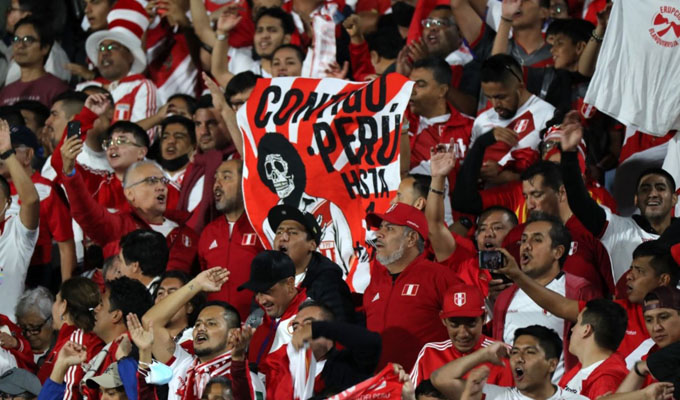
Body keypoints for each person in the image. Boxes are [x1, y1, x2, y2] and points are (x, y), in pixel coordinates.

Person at [495, 239, 678, 366]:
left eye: (639, 271)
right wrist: (517, 275)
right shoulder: (616, 311)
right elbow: (562, 306)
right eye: (631, 269)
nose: (629, 276)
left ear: (663, 280)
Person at [560, 117, 678, 286]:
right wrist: (570, 154)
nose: (653, 194)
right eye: (645, 189)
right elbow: (580, 203)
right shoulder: (617, 229)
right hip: (627, 304)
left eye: (660, 188)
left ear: (674, 198)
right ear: (636, 200)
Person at [493, 213, 601, 378]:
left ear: (558, 252)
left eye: (537, 240)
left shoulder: (580, 291)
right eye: (523, 240)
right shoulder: (505, 297)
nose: (526, 246)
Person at [57, 151, 198, 273]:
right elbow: (87, 212)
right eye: (151, 181)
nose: (161, 187)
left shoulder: (187, 233)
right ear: (130, 194)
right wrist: (71, 175)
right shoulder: (119, 225)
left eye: (163, 181)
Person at [364, 203, 462, 369]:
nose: (378, 234)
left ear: (411, 239)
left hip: (428, 382)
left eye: (389, 228)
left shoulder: (439, 277)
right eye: (380, 227)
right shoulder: (374, 286)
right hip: (382, 382)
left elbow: (468, 329)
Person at [143, 267, 237, 400]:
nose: (201, 328)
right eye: (198, 324)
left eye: (211, 323)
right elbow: (150, 322)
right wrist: (197, 284)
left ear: (233, 335)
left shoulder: (242, 379)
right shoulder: (183, 365)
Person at [1, 125, 75, 289]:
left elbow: (66, 246)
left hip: (36, 277)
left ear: (28, 155)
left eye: (9, 150)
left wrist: (67, 293)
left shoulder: (46, 191)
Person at [263, 300, 381, 398]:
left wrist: (315, 329)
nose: (300, 331)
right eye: (295, 326)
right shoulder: (281, 369)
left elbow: (371, 343)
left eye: (308, 324)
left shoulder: (348, 365)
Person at [432, 325, 588, 399]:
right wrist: (484, 354)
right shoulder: (497, 397)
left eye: (529, 352)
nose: (518, 358)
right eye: (515, 352)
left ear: (552, 364)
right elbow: (440, 379)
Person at [469, 54, 556, 184]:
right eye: (489, 97)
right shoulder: (481, 121)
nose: (495, 105)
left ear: (520, 87)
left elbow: (554, 173)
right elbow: (468, 171)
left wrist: (507, 176)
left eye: (501, 97)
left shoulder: (547, 115)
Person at [198, 159, 264, 321]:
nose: (216, 185)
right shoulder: (208, 233)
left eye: (226, 177)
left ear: (244, 183)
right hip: (217, 327)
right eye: (215, 178)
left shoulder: (262, 227)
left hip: (255, 325)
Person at [410, 284, 513, 387]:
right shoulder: (429, 354)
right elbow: (407, 394)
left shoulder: (504, 355)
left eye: (471, 323)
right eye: (454, 324)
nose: (463, 333)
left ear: (484, 318)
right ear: (443, 320)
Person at [77, 0, 159, 129]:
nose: (105, 53)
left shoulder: (142, 87)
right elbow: (69, 134)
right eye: (101, 48)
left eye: (112, 47)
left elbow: (142, 137)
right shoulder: (82, 88)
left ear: (130, 56)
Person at [268, 204, 356, 322]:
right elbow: (256, 322)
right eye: (279, 232)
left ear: (312, 245)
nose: (283, 237)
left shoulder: (329, 284)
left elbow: (339, 328)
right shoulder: (265, 281)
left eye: (292, 232)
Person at [404, 56, 473, 198]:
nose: (412, 91)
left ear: (442, 90)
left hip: (455, 208)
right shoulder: (400, 124)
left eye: (420, 85)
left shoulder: (471, 127)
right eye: (410, 84)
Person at [81, 276, 153, 400]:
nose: (94, 309)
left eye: (101, 304)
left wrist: (123, 359)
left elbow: (139, 394)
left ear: (115, 315)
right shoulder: (103, 352)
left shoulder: (135, 356)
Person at [238, 251, 308, 373]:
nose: (261, 300)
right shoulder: (257, 317)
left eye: (267, 291)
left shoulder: (309, 318)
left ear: (290, 284)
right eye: (257, 292)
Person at [37, 277, 104, 399]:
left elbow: (70, 393)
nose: (53, 306)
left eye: (56, 300)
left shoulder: (76, 344)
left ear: (63, 306)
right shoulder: (67, 338)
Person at [0, 118, 39, 320]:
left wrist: (7, 154)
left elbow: (31, 201)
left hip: (6, 334)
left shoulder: (16, 233)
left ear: (8, 203)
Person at [558, 299, 629, 399]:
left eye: (577, 322)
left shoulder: (606, 382)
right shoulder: (581, 369)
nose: (572, 329)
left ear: (586, 330)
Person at [0, 17, 68, 107]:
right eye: (16, 39)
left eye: (28, 40)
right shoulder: (6, 91)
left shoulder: (57, 89)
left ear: (45, 48)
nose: (20, 45)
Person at [15, 287, 56, 366]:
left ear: (52, 322)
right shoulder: (14, 346)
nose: (28, 334)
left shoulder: (63, 352)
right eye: (23, 327)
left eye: (34, 328)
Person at [157, 115, 196, 187]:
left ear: (194, 145)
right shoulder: (149, 174)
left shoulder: (198, 177)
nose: (171, 141)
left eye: (179, 137)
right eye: (165, 137)